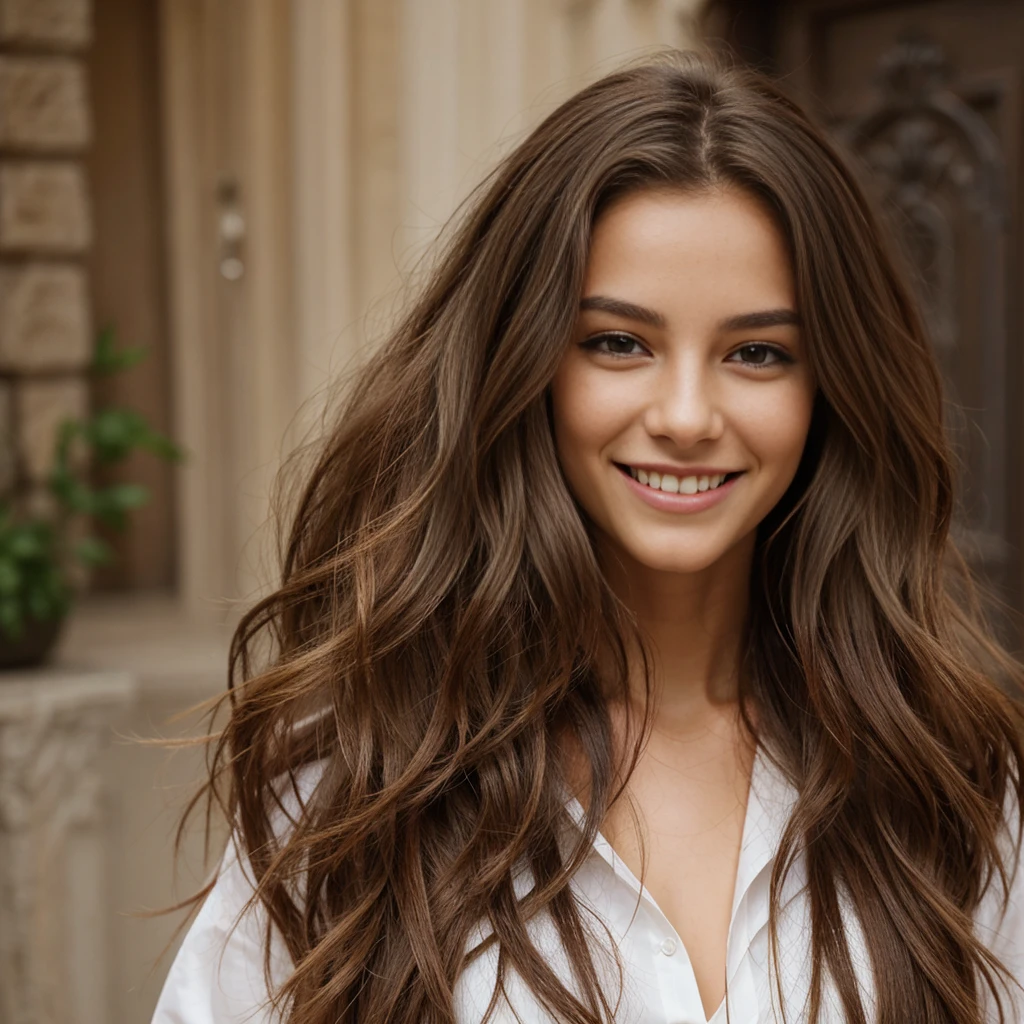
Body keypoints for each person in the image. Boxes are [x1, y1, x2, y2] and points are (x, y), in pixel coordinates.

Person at [152, 49, 1024, 1024]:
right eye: (618, 342)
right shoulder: (356, 780)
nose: (687, 414)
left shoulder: (946, 780)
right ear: (524, 363)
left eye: (757, 352)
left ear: (830, 388)